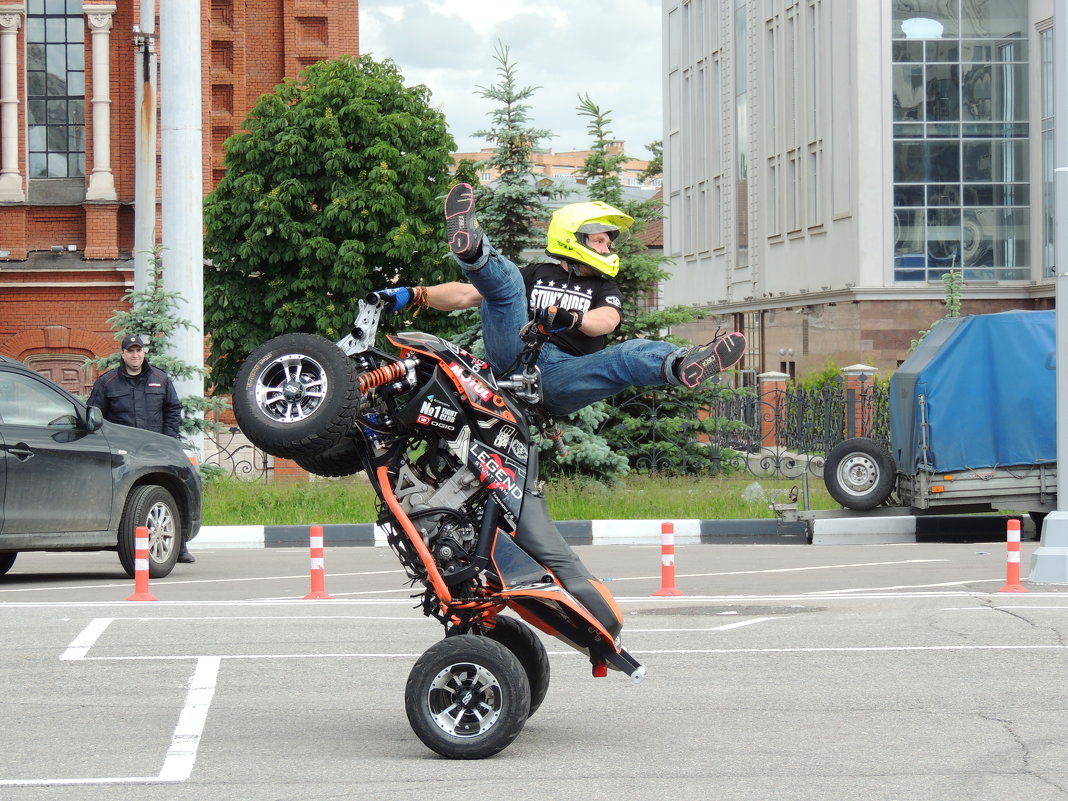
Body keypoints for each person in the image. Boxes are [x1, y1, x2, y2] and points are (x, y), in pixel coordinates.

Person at [374, 183, 746, 418]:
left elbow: (607, 323)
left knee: (626, 356)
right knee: (503, 286)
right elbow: (466, 295)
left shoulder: (604, 289)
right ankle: (473, 251)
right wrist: (413, 293)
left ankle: (683, 364)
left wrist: (572, 320)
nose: (608, 247)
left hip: (562, 376)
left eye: (608, 242)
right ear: (575, 238)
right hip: (513, 358)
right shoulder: (537, 273)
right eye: (600, 240)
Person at [88, 335, 194, 564]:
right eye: (131, 351)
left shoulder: (160, 378)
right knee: (130, 496)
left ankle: (179, 546)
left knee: (167, 493)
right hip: (124, 451)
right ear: (123, 354)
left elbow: (173, 409)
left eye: (139, 350)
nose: (135, 355)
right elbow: (94, 413)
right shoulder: (108, 382)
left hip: (156, 448)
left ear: (143, 353)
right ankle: (128, 545)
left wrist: (169, 438)